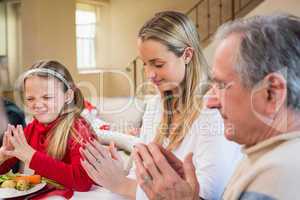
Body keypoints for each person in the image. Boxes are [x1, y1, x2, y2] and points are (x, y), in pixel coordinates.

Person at [134, 13, 300, 200]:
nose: (210, 101)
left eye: (222, 85)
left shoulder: (277, 177)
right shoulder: (259, 158)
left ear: (272, 93)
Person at [80, 11, 241, 200]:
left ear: (187, 55)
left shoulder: (214, 109)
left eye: (158, 64)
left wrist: (120, 184)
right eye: (145, 64)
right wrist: (117, 174)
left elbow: (206, 195)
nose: (149, 74)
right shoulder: (156, 104)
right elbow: (138, 176)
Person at [0, 60, 94, 192]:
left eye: (47, 97)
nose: (37, 105)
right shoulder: (32, 129)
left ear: (68, 96)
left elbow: (83, 181)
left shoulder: (78, 130)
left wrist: (31, 156)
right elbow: (3, 174)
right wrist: (3, 156)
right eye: (30, 99)